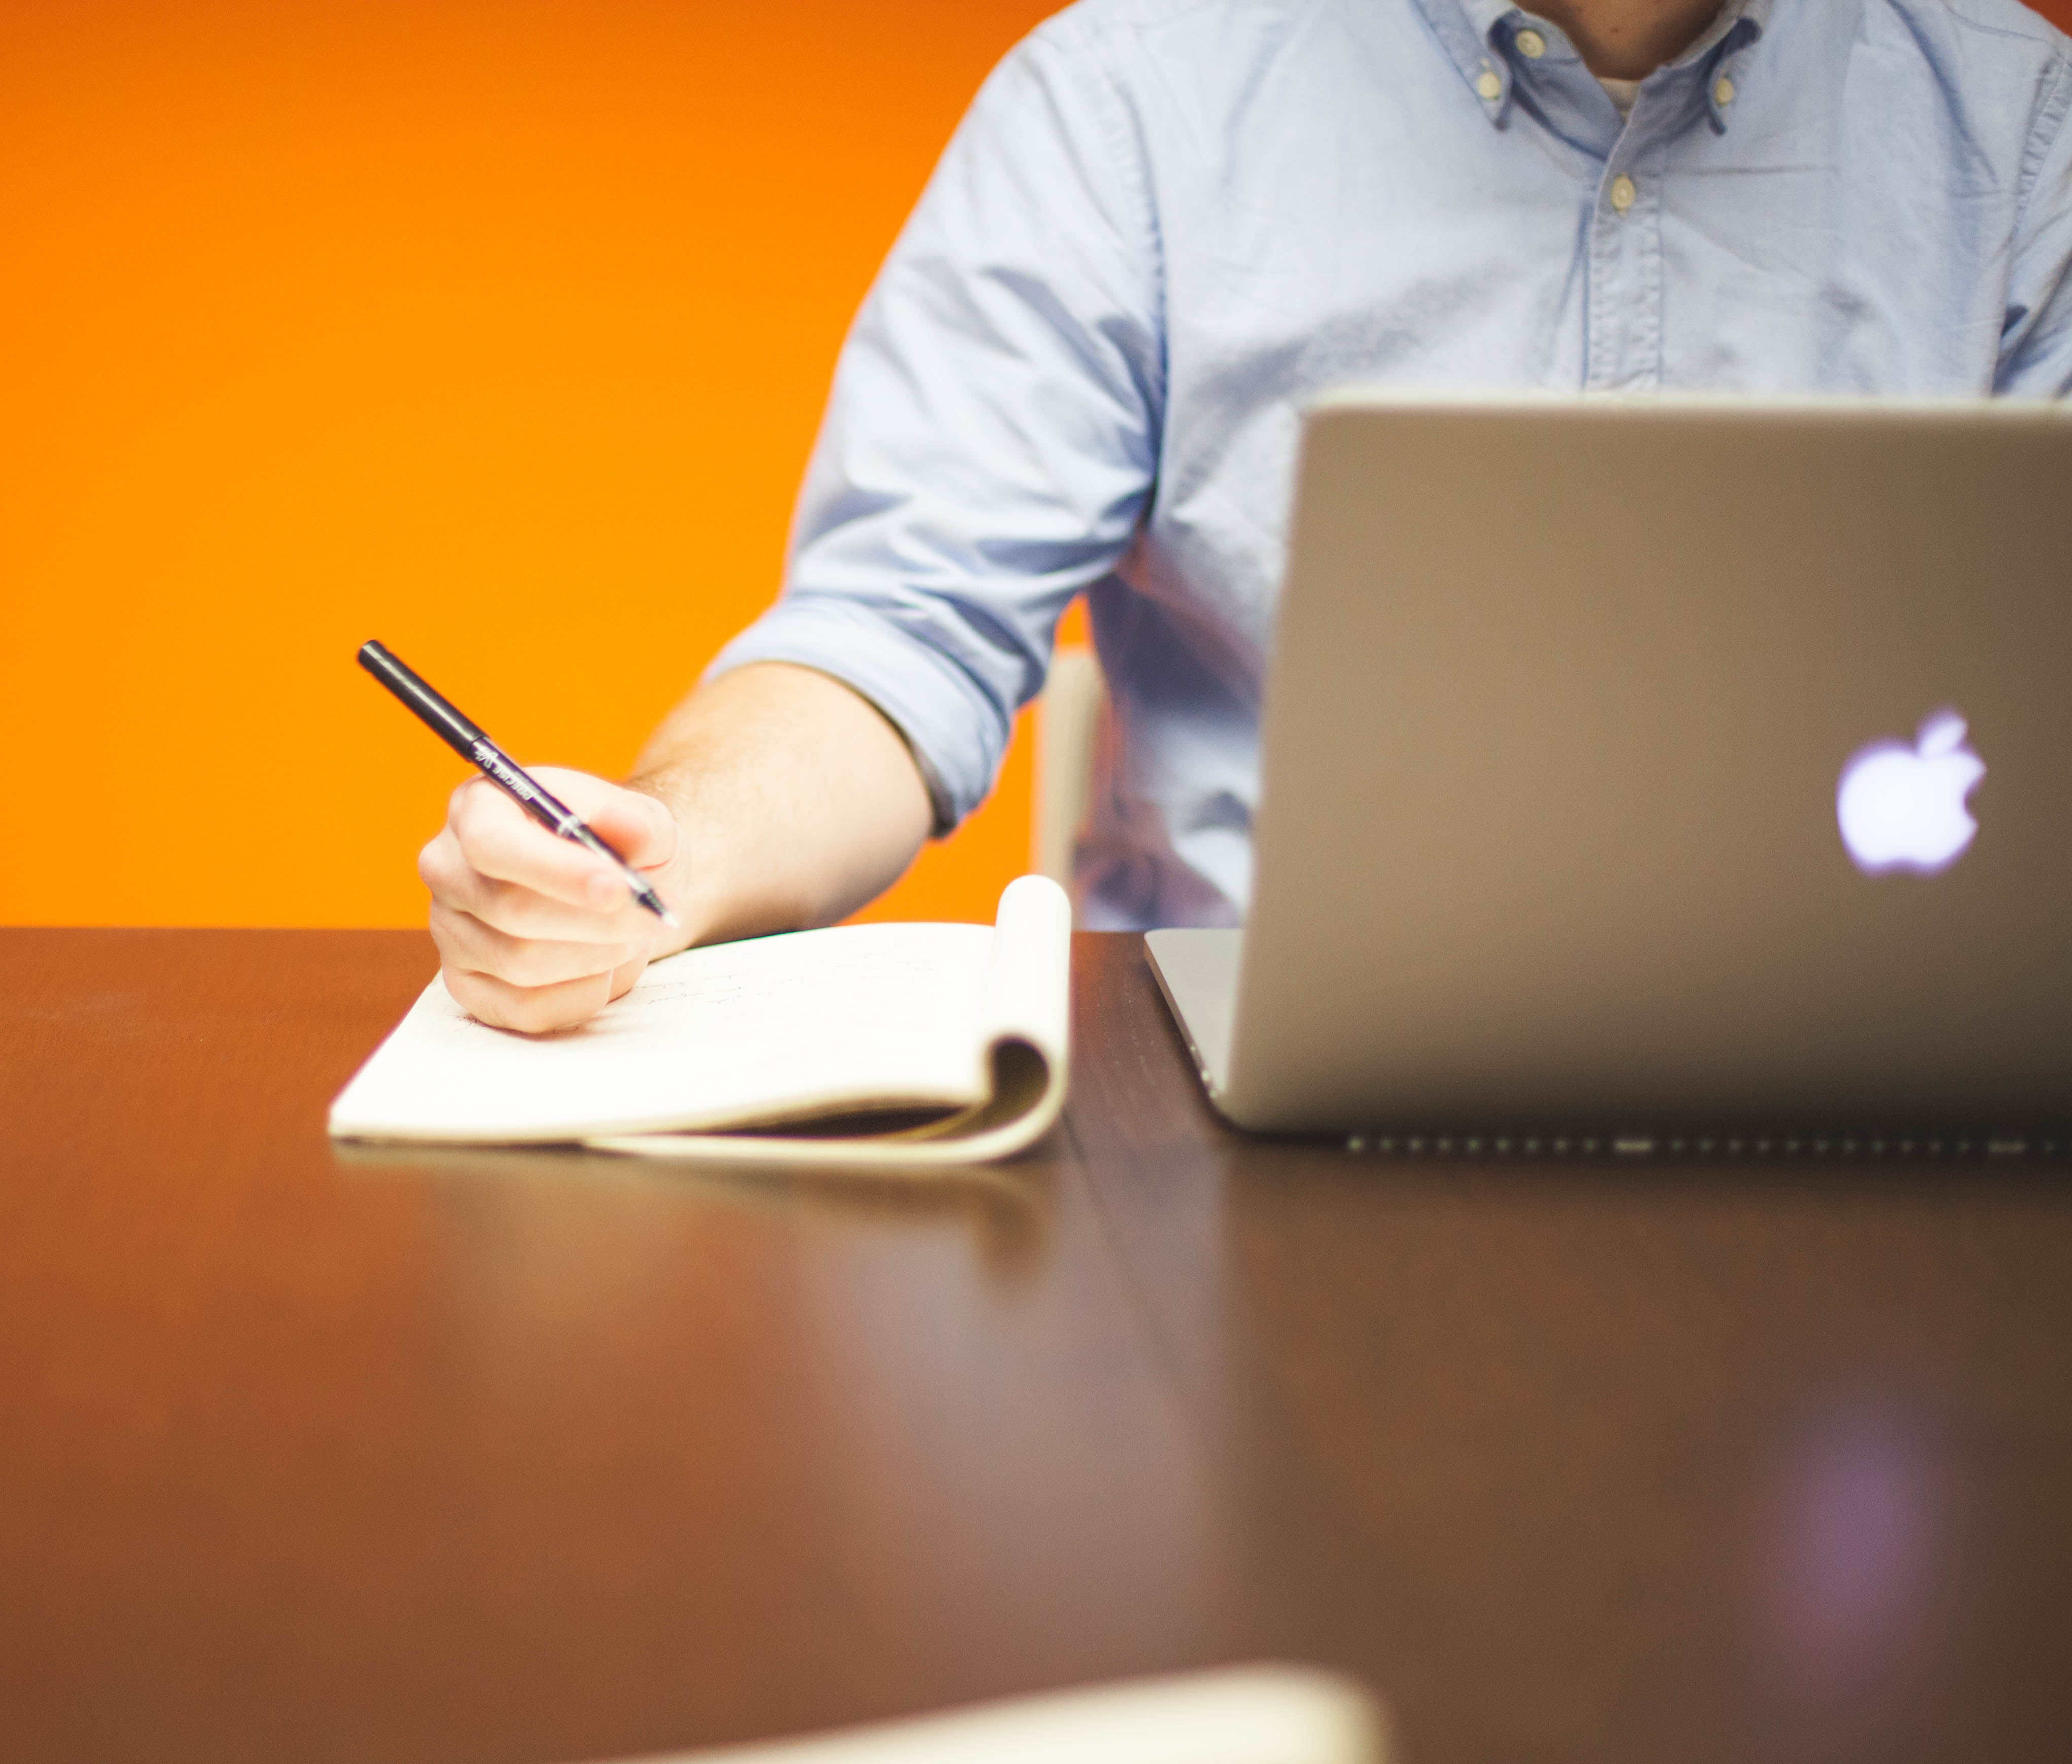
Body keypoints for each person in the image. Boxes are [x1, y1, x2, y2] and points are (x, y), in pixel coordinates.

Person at [419, 0, 2072, 1033]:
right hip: (1228, 1155)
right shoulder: (1128, 100)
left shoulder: (2024, 128)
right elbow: (892, 635)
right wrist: (668, 849)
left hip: (1889, 1119)